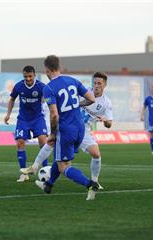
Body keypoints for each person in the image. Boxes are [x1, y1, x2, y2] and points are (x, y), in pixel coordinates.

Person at [21, 72, 113, 190]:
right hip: (70, 125)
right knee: (59, 154)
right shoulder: (83, 92)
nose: (96, 85)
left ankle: (95, 181)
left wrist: (105, 121)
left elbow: (110, 123)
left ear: (105, 85)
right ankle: (36, 168)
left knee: (95, 154)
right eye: (95, 83)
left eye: (99, 83)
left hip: (84, 131)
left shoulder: (106, 102)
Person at [33, 55, 99, 200]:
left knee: (64, 166)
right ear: (59, 66)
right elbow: (91, 98)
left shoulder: (49, 88)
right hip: (80, 128)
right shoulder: (73, 80)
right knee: (61, 160)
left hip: (66, 130)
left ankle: (90, 184)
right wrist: (76, 105)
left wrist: (52, 133)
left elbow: (54, 115)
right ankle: (48, 185)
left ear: (47, 70)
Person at [4, 65, 49, 182]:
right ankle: (24, 173)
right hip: (23, 119)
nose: (28, 79)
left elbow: (50, 99)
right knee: (19, 142)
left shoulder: (41, 87)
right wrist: (8, 114)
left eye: (30, 76)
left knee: (43, 141)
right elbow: (12, 99)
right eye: (25, 76)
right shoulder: (19, 86)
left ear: (34, 75)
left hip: (38, 118)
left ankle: (46, 170)